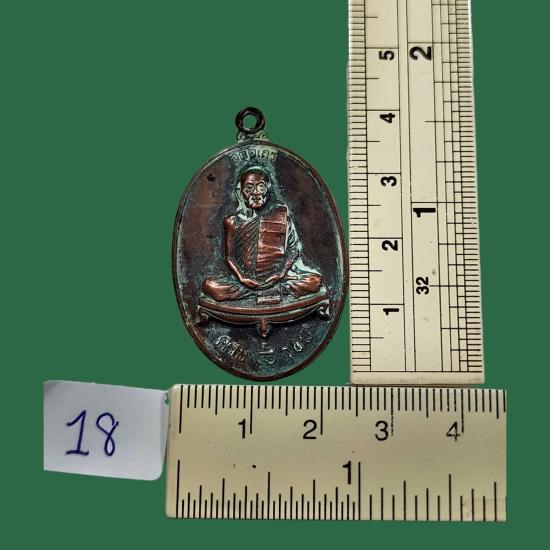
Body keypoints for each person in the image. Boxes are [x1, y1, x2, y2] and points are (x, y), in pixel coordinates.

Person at [202, 166, 322, 303]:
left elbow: (293, 249)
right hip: (244, 282)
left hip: (278, 279)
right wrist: (242, 278)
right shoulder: (232, 222)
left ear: (268, 190)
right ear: (240, 192)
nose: (255, 193)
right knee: (209, 285)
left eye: (261, 187)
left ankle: (262, 292)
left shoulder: (281, 214)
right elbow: (229, 257)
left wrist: (280, 274)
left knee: (315, 281)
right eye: (248, 188)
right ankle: (268, 292)